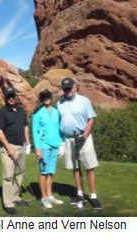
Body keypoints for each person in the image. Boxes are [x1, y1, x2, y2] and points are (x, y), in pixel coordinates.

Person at [57, 77, 102, 209]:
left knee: (89, 166)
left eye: (69, 88)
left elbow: (91, 119)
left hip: (84, 138)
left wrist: (85, 135)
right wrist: (61, 142)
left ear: (75, 87)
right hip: (69, 139)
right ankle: (80, 194)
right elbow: (60, 122)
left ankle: (93, 196)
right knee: (76, 168)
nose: (68, 91)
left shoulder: (84, 101)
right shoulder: (60, 104)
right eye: (65, 89)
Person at [0, 88, 31, 215]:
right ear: (5, 97)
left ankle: (16, 197)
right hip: (8, 147)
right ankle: (8, 203)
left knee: (18, 174)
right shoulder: (2, 112)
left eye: (13, 96)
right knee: (8, 176)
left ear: (16, 97)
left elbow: (25, 127)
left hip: (21, 146)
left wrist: (28, 143)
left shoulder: (20, 110)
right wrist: (9, 149)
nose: (11, 98)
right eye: (9, 96)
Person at [32, 88, 64, 209]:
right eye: (44, 97)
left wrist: (61, 144)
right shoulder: (37, 113)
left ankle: (50, 195)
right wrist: (38, 148)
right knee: (43, 171)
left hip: (55, 145)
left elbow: (59, 128)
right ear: (41, 98)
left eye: (48, 96)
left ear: (51, 97)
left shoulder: (56, 112)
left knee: (50, 171)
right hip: (44, 145)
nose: (46, 98)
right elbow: (35, 132)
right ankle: (43, 197)